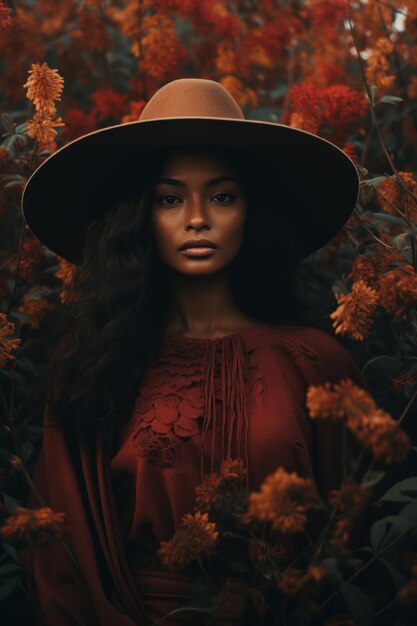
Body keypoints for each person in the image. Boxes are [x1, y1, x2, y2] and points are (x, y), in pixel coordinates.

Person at [21, 78, 365, 625]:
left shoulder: (317, 362)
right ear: (140, 214)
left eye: (223, 195)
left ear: (252, 211)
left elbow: (356, 545)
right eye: (170, 197)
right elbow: (63, 557)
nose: (197, 216)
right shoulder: (93, 364)